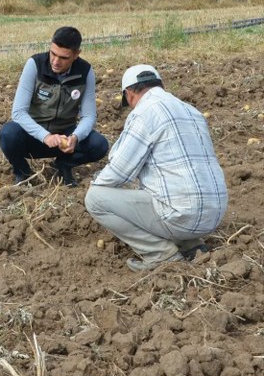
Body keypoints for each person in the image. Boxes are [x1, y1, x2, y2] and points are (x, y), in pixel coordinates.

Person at [85, 64, 228, 272]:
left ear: (129, 94)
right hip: (214, 215)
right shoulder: (192, 111)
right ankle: (191, 244)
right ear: (161, 85)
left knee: (95, 199)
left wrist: (95, 183)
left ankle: (160, 254)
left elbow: (119, 171)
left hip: (182, 216)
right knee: (163, 182)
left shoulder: (145, 112)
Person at [0, 26, 109, 187]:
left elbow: (89, 116)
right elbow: (18, 112)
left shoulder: (85, 72)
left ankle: (63, 165)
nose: (56, 62)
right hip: (34, 136)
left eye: (64, 57)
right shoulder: (35, 65)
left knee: (99, 145)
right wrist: (45, 136)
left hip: (64, 136)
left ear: (76, 54)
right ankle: (23, 173)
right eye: (53, 54)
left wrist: (75, 137)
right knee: (8, 134)